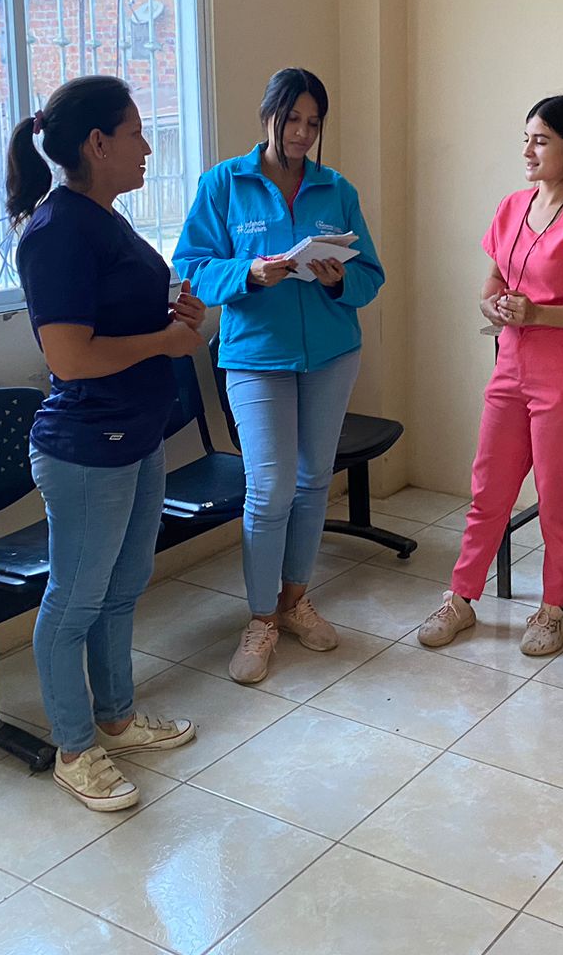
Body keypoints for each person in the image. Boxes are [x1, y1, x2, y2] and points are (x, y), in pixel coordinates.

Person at [7, 74, 202, 811]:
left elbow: (119, 318)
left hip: (138, 434)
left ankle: (116, 717)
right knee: (74, 602)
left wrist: (175, 318)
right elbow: (70, 356)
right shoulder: (55, 232)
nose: (147, 147)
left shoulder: (105, 219)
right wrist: (164, 342)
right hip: (86, 448)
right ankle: (75, 749)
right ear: (97, 144)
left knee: (123, 588)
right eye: (135, 133)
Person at [173, 68, 385, 685]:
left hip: (332, 355)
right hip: (254, 358)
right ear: (268, 116)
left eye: (313, 123)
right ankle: (261, 618)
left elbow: (371, 276)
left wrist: (338, 280)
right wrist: (249, 273)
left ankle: (295, 601)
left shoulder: (335, 188)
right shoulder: (224, 183)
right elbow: (192, 268)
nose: (301, 132)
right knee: (269, 490)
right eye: (292, 119)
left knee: (314, 480)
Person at [418, 95, 563, 656]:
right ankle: (461, 597)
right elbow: (492, 283)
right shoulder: (512, 206)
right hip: (510, 366)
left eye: (541, 140)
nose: (528, 151)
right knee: (489, 488)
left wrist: (539, 314)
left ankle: (554, 610)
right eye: (526, 139)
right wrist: (494, 304)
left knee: (558, 497)